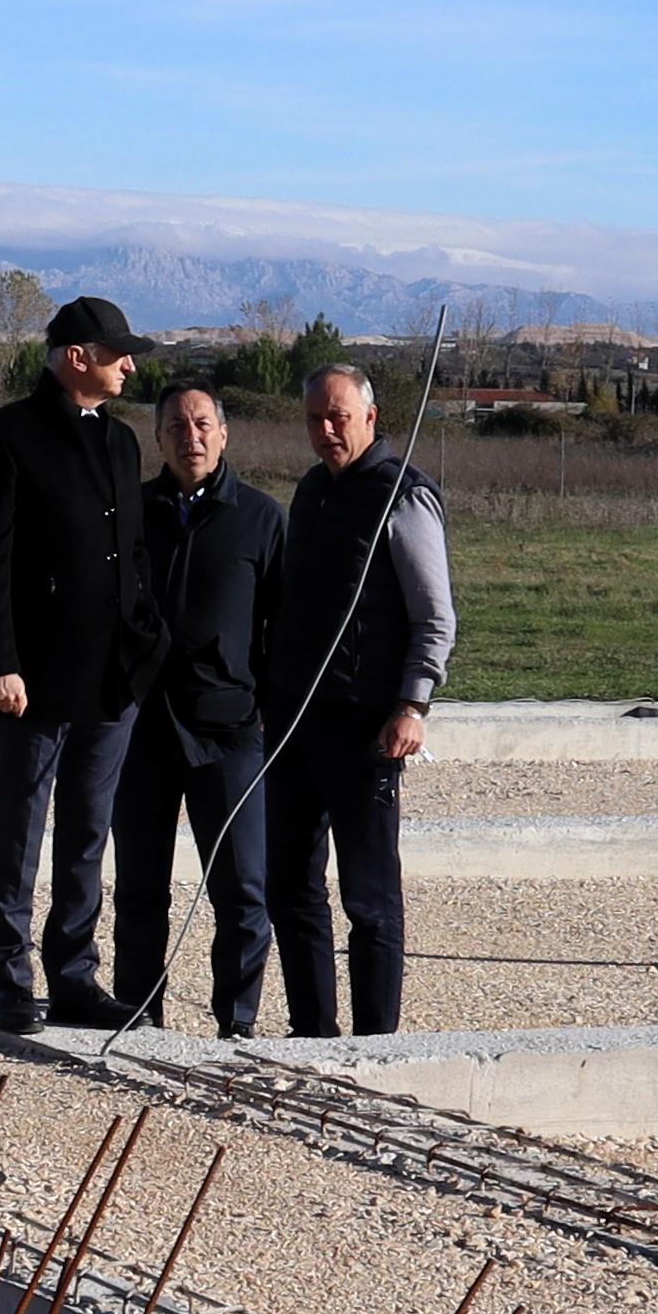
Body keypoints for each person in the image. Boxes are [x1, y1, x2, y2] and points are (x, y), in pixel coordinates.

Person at [0, 294, 163, 1030]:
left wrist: (146, 639)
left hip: (113, 675)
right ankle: (11, 976)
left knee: (88, 830)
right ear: (77, 358)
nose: (130, 366)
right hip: (30, 677)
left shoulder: (122, 442)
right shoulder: (1, 438)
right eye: (118, 354)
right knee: (20, 827)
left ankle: (73, 976)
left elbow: (131, 553)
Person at [254, 363, 455, 1038]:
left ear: (371, 417)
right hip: (295, 719)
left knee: (367, 896)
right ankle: (313, 1030)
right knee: (291, 883)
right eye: (315, 418)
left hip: (366, 723)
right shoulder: (310, 491)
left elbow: (435, 615)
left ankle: (376, 1040)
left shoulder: (404, 497)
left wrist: (413, 705)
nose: (327, 429)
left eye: (339, 416)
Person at [112, 384, 283, 1037]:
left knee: (243, 893)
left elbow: (281, 628)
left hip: (229, 732)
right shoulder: (130, 513)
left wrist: (266, 707)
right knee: (139, 889)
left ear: (224, 433)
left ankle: (235, 1025)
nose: (192, 436)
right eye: (177, 426)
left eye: (203, 423)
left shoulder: (262, 520)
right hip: (143, 730)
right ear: (157, 439)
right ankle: (136, 1014)